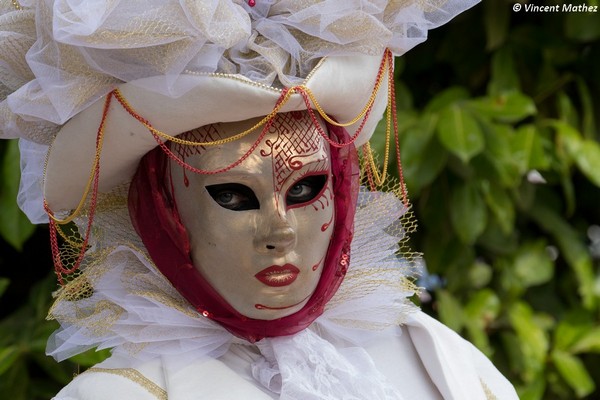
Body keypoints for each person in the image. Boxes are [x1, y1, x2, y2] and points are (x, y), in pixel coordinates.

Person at [1, 1, 518, 398]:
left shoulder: (431, 355)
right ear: (163, 210)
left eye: (306, 188)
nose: (280, 232)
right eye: (233, 193)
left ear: (341, 186)